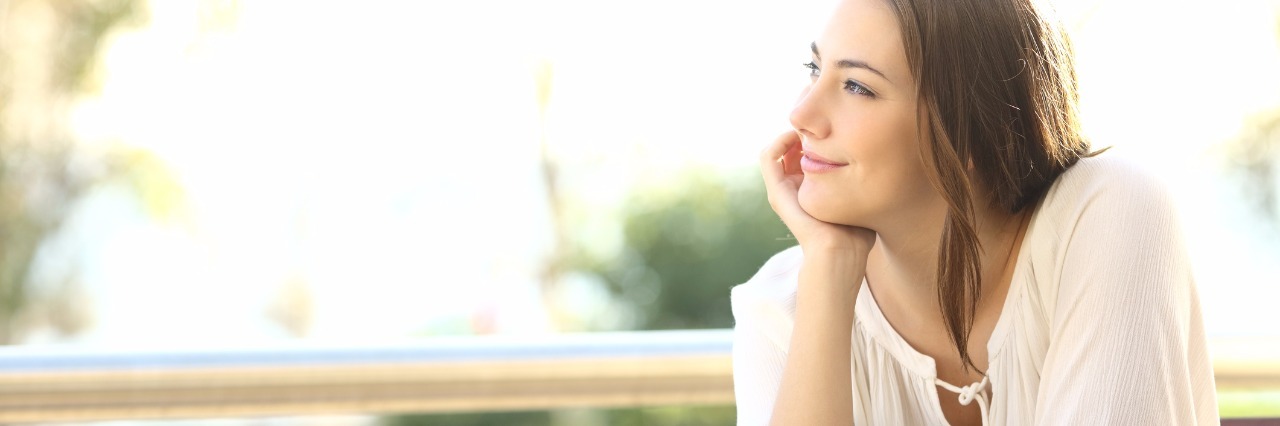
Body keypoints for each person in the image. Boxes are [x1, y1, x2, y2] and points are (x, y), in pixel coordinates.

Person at [729, 0, 1219, 424]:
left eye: (857, 86)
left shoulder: (1109, 211)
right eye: (815, 70)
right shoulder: (782, 307)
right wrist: (829, 266)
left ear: (966, 127)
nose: (801, 115)